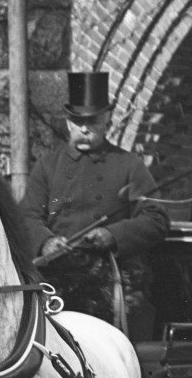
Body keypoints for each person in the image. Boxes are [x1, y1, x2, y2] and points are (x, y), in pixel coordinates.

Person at [12, 72, 174, 331]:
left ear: (107, 120)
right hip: (55, 280)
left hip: (113, 280)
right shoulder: (47, 166)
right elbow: (27, 216)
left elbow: (155, 217)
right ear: (68, 123)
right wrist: (46, 242)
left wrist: (112, 235)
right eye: (77, 121)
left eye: (93, 121)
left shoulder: (129, 165)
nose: (84, 129)